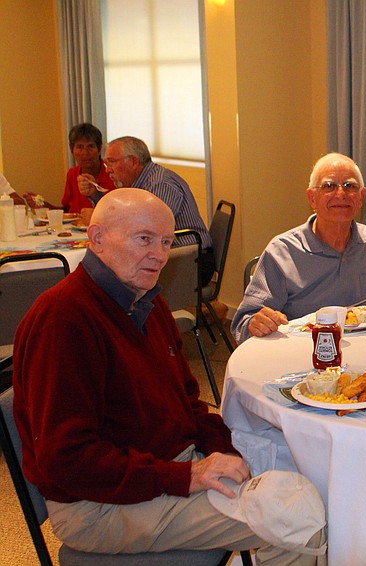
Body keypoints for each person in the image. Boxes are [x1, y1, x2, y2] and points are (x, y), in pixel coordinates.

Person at [12, 189, 327, 563]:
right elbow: (66, 460)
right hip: (98, 505)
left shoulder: (144, 300)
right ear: (96, 239)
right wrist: (188, 476)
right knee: (300, 519)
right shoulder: (64, 320)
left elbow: (187, 404)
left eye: (165, 242)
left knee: (310, 473)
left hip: (164, 465)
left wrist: (221, 450)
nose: (159, 255)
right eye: (144, 239)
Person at [232, 152, 366, 344]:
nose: (341, 193)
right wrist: (255, 323)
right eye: (329, 186)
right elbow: (243, 322)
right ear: (312, 198)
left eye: (349, 186)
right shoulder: (282, 252)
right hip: (304, 355)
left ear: (361, 197)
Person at [104, 136, 215, 284]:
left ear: (133, 161)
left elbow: (149, 229)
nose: (107, 170)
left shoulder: (160, 184)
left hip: (190, 260)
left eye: (111, 162)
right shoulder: (139, 184)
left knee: (112, 276)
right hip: (170, 255)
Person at [63, 123, 116, 213]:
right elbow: (66, 210)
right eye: (79, 147)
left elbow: (116, 211)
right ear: (72, 151)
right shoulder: (72, 174)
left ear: (99, 149)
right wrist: (43, 205)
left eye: (91, 146)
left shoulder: (112, 173)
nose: (85, 153)